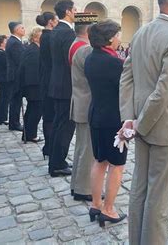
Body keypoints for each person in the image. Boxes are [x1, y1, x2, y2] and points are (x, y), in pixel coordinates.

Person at [119, 0, 168, 244]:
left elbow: (126, 77)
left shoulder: (140, 33)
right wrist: (141, 124)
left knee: (139, 189)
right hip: (162, 126)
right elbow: (165, 91)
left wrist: (130, 119)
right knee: (159, 198)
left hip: (139, 122)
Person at [84, 20, 126, 227]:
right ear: (110, 38)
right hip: (113, 119)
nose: (120, 39)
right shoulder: (115, 63)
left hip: (96, 115)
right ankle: (109, 209)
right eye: (118, 34)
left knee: (99, 161)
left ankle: (95, 204)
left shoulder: (91, 58)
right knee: (117, 165)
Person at [69, 13, 98, 201]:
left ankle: (76, 185)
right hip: (86, 102)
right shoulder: (85, 49)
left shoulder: (75, 45)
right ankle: (83, 188)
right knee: (87, 150)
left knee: (81, 147)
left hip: (79, 101)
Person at [48, 0, 76, 177]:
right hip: (66, 85)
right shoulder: (67, 33)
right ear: (67, 11)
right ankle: (57, 163)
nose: (76, 12)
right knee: (64, 127)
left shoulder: (56, 31)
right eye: (74, 9)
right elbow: (70, 61)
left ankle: (57, 160)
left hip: (57, 83)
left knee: (59, 124)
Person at [37, 11, 59, 158]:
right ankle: (50, 147)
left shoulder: (45, 36)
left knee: (48, 116)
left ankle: (48, 147)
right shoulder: (50, 36)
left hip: (45, 79)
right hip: (50, 79)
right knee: (50, 116)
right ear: (51, 21)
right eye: (56, 20)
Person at [18, 26, 43, 142]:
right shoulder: (33, 50)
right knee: (35, 111)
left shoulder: (34, 48)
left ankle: (27, 134)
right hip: (34, 86)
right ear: (35, 38)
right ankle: (31, 134)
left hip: (33, 85)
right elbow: (32, 71)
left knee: (32, 110)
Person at [6, 21, 25, 131]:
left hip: (14, 74)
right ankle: (14, 123)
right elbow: (20, 60)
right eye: (22, 28)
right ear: (16, 30)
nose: (24, 29)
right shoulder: (14, 43)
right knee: (15, 100)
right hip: (15, 75)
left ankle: (14, 122)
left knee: (16, 100)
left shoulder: (15, 41)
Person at [0, 35, 9, 125]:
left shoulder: (0, 52)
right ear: (1, 43)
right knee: (4, 98)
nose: (6, 42)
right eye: (5, 41)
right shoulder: (1, 53)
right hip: (3, 78)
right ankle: (2, 117)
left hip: (1, 77)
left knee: (2, 98)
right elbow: (5, 66)